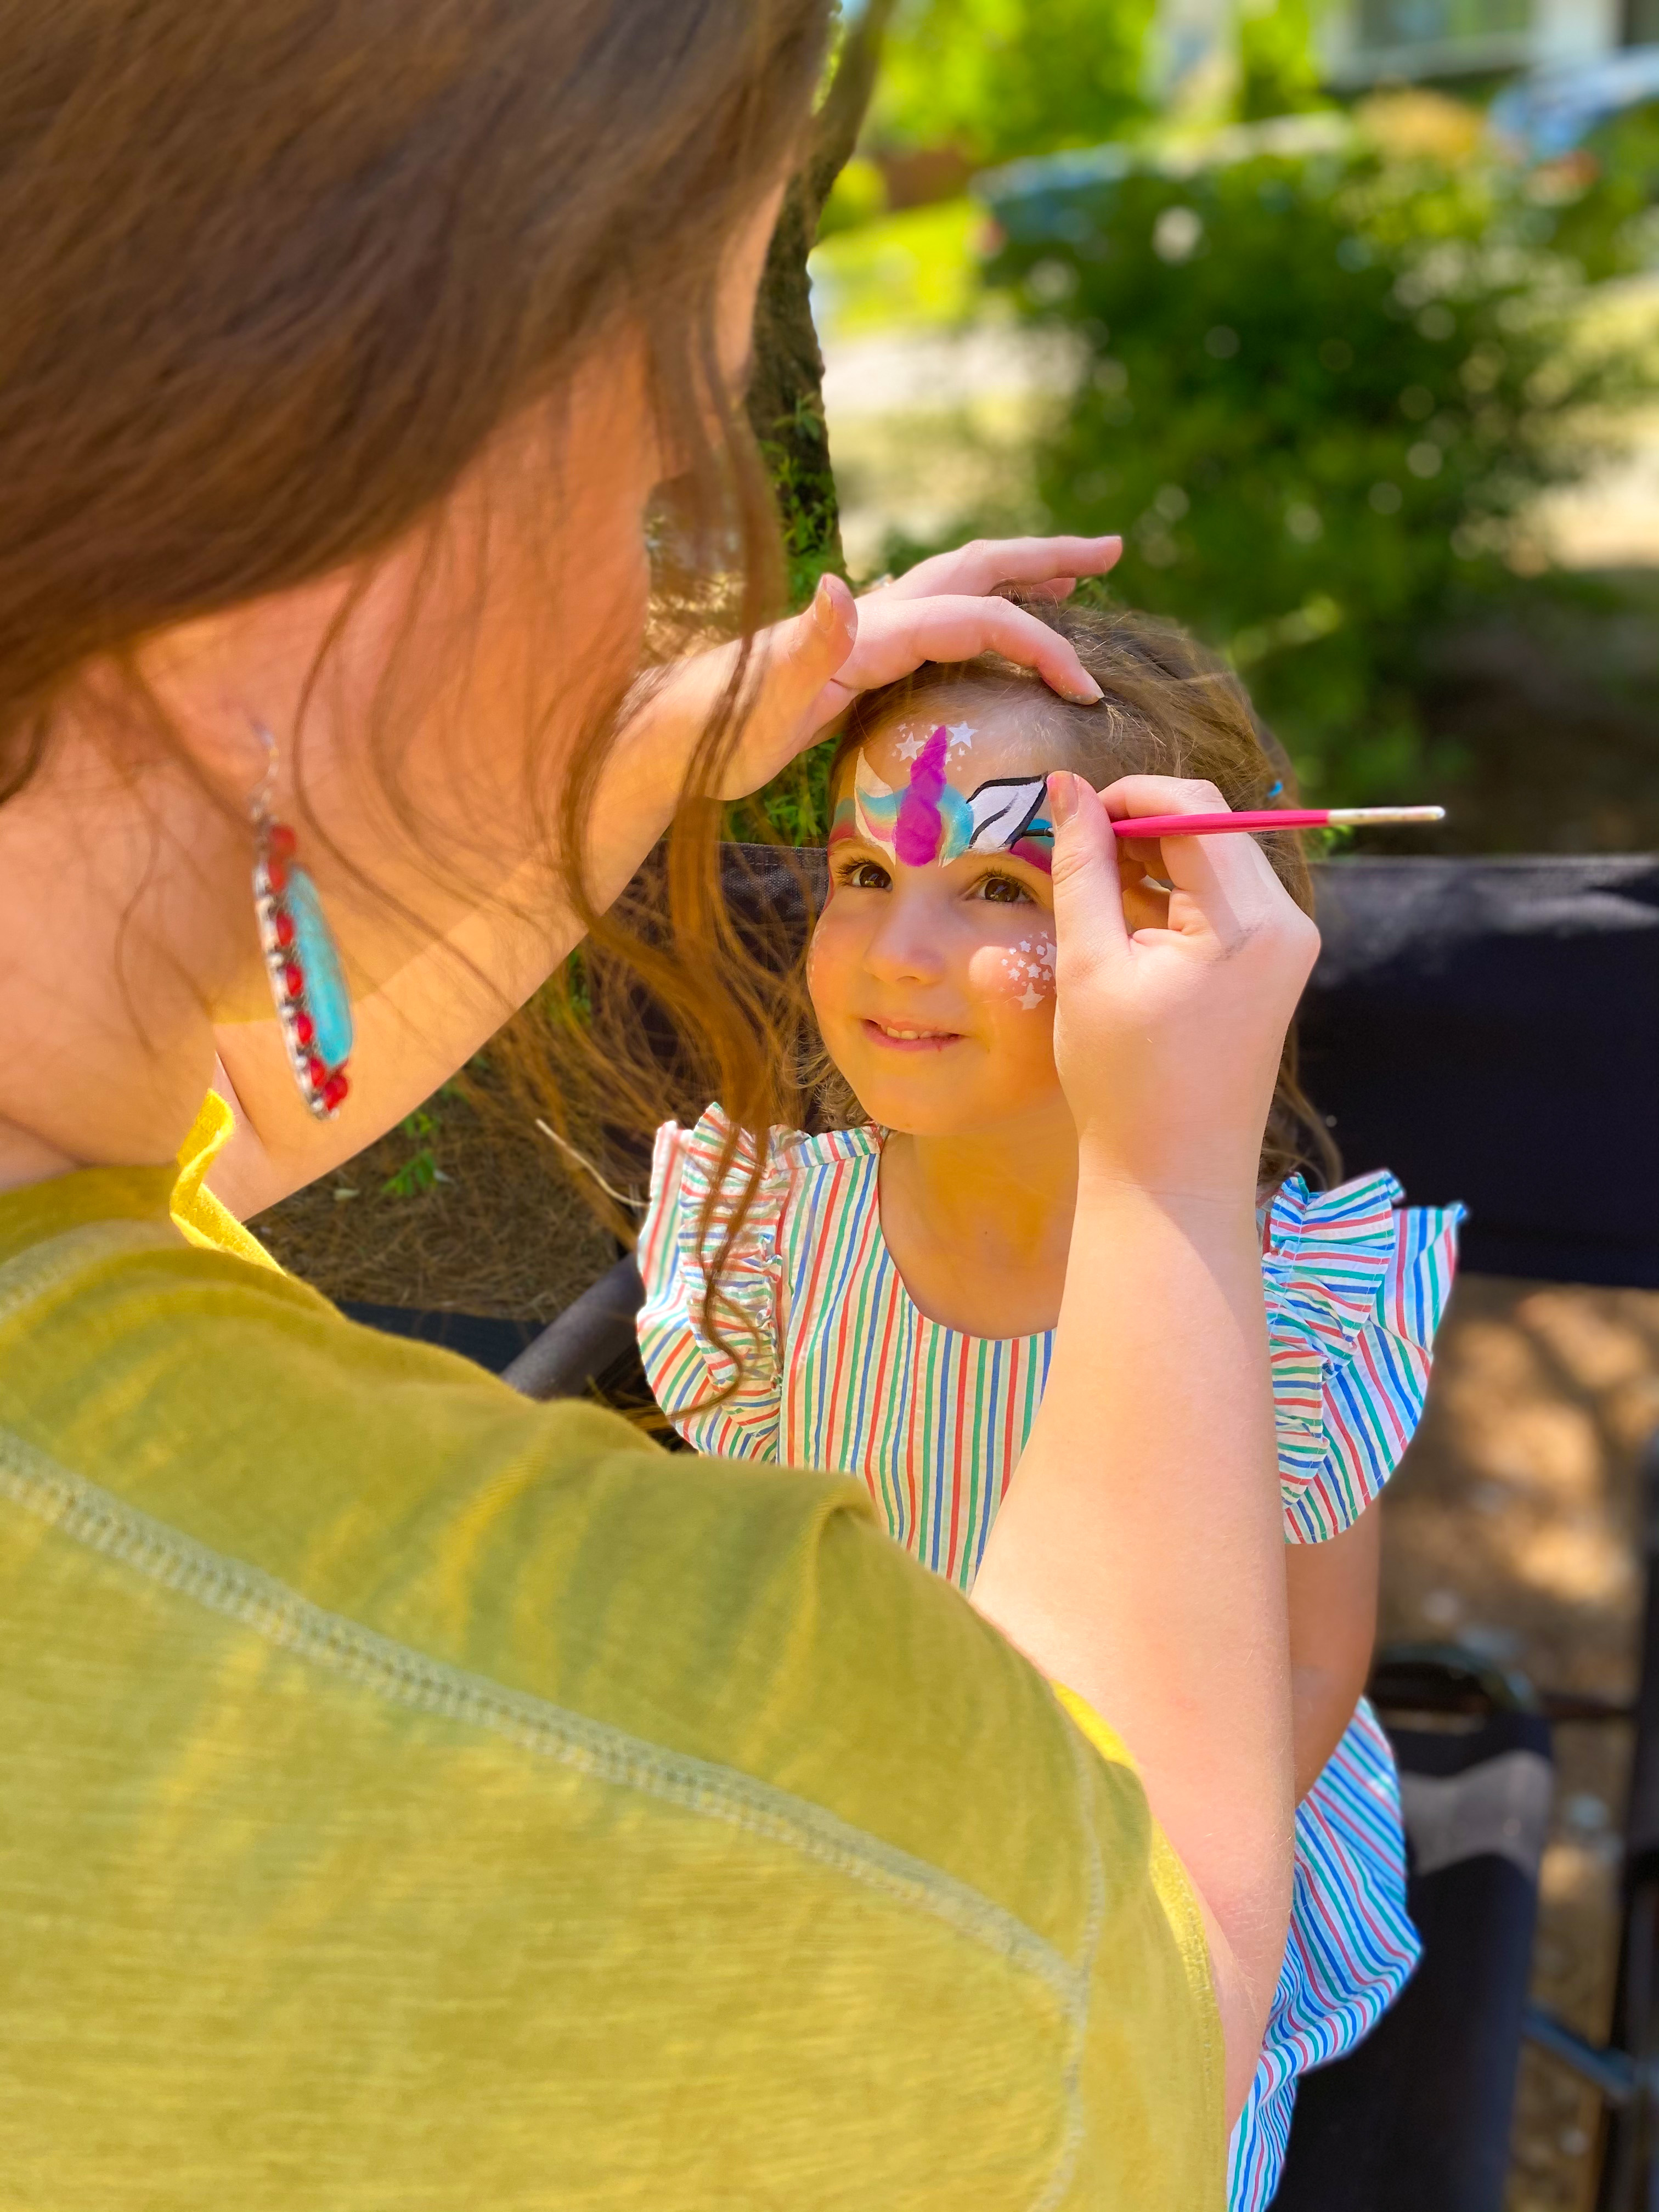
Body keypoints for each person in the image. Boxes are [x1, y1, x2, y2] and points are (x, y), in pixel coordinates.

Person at [0, 3, 1316, 2201]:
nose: (657, 597)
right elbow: (1117, 1967)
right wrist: (1172, 1188)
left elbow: (190, 1105)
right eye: (662, 491)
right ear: (287, 557)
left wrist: (655, 742)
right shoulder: (734, 1749)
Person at [639, 602, 1464, 2210]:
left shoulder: (1285, 1298)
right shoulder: (762, 1241)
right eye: (867, 875)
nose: (898, 953)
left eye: (1001, 888)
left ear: (1163, 929)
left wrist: (1049, 1884)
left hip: (1161, 1869)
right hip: (861, 1814)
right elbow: (750, 1600)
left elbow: (1301, 1659)